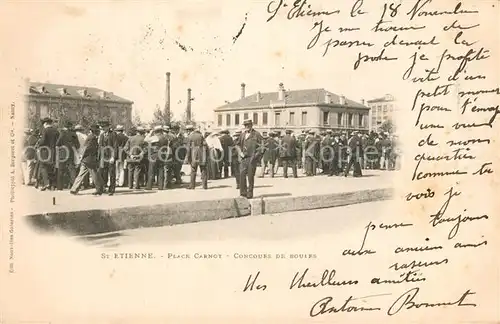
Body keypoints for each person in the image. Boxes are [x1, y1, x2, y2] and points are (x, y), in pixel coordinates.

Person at [70, 124, 104, 195]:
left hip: (86, 159)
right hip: (89, 159)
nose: (98, 132)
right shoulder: (92, 137)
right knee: (95, 174)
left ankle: (74, 189)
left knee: (81, 174)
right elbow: (86, 148)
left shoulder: (91, 137)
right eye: (97, 131)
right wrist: (82, 156)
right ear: (94, 131)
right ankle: (99, 189)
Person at [236, 119, 264, 199]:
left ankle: (250, 193)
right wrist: (240, 152)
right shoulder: (242, 135)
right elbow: (237, 145)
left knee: (250, 177)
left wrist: (256, 156)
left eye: (248, 125)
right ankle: (243, 193)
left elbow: (262, 146)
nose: (247, 127)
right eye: (245, 125)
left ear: (251, 125)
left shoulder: (257, 134)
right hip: (243, 159)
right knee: (242, 175)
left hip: (252, 159)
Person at [36, 117, 59, 191]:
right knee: (52, 167)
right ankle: (53, 185)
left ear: (45, 124)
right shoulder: (56, 131)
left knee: (43, 167)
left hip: (45, 152)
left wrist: (38, 144)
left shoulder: (45, 130)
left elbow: (43, 141)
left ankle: (46, 183)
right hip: (54, 152)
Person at [55, 121, 79, 190]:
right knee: (72, 170)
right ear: (71, 126)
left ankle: (59, 187)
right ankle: (74, 186)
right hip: (71, 153)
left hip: (63, 154)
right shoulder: (74, 134)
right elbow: (78, 146)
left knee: (61, 170)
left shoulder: (62, 134)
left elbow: (57, 144)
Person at [98, 121, 119, 195]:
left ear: (108, 127)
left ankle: (111, 189)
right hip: (103, 157)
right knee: (103, 173)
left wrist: (113, 157)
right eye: (102, 127)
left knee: (112, 173)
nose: (103, 128)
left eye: (104, 127)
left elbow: (115, 146)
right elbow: (100, 147)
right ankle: (103, 187)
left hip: (110, 157)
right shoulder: (101, 135)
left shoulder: (113, 134)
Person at [184, 125, 208, 190]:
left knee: (193, 170)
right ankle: (204, 186)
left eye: (187, 131)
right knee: (203, 170)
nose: (187, 132)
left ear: (189, 130)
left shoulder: (190, 137)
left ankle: (192, 186)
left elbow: (188, 148)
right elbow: (205, 145)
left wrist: (187, 157)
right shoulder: (200, 135)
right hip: (202, 154)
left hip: (194, 155)